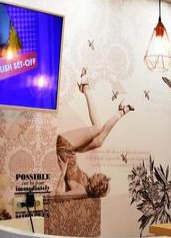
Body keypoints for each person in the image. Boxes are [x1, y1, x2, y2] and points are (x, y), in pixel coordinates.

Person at [55, 69, 134, 198]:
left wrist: (62, 172)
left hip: (65, 146)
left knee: (97, 127)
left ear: (97, 185)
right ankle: (120, 113)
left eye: (98, 176)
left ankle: (86, 87)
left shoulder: (82, 192)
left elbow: (59, 197)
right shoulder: (87, 184)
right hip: (71, 151)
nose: (97, 173)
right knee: (99, 141)